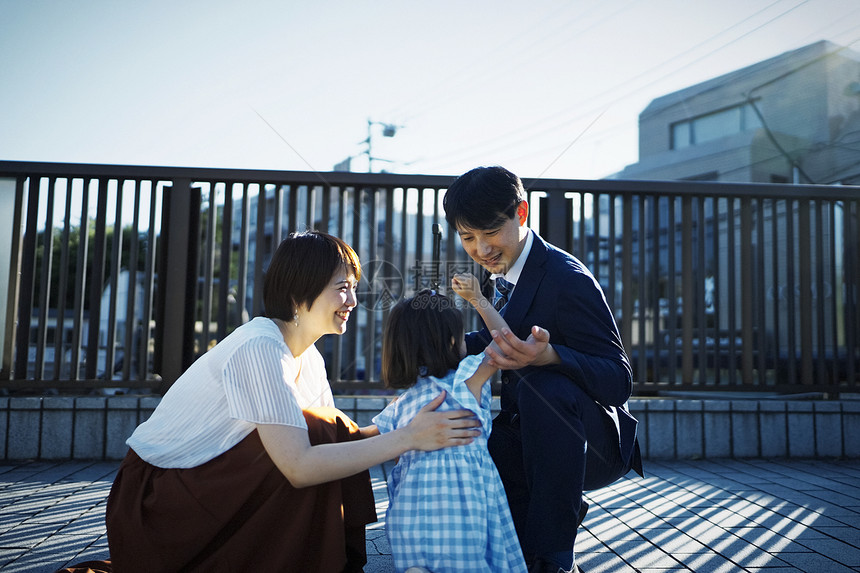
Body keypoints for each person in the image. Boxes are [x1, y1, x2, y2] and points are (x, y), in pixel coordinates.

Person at [59, 231, 480, 573]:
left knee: (325, 428)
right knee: (315, 433)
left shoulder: (308, 356)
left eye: (353, 289)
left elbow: (339, 443)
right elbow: (299, 468)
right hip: (158, 504)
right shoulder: (259, 347)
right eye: (342, 289)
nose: (352, 301)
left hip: (204, 485)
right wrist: (408, 438)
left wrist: (412, 421)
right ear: (300, 293)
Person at [442, 166, 643, 573]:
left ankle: (555, 557)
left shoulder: (566, 279)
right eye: (467, 238)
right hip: (524, 434)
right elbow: (495, 340)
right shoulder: (503, 272)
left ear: (521, 213)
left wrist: (551, 357)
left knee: (543, 386)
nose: (481, 249)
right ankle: (544, 529)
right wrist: (427, 352)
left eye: (489, 233)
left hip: (590, 441)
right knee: (486, 450)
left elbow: (619, 380)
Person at [373, 287, 527, 573]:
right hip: (464, 508)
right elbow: (506, 342)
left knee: (421, 565)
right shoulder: (468, 377)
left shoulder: (402, 403)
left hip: (413, 509)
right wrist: (477, 299)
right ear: (453, 340)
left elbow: (379, 446)